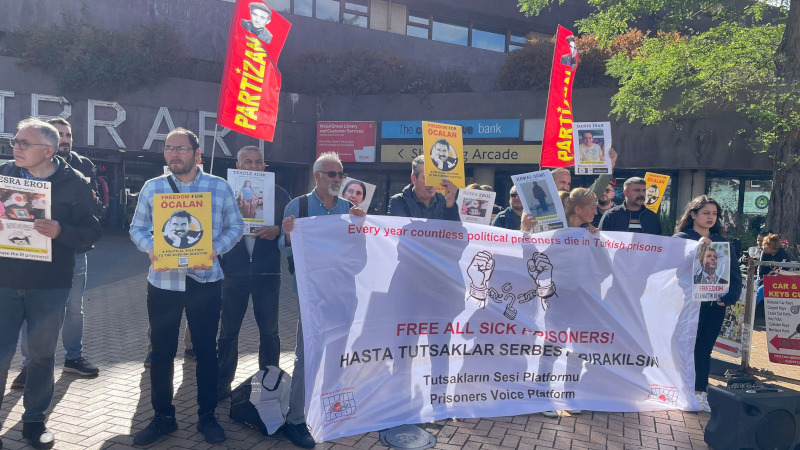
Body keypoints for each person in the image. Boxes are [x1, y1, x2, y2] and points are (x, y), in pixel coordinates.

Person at [129, 127, 244, 445]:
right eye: (169, 148)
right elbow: (137, 228)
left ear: (197, 154)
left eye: (180, 148)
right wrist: (152, 248)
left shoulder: (219, 187)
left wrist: (215, 249)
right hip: (163, 282)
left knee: (206, 351)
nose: (174, 154)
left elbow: (236, 226)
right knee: (162, 352)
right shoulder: (153, 187)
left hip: (204, 281)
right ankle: (162, 417)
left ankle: (207, 415)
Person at [0, 118, 102, 449]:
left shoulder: (75, 182)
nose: (16, 148)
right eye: (15, 141)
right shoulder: (4, 174)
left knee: (42, 357)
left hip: (49, 285)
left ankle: (34, 421)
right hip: (4, 282)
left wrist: (61, 232)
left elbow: (92, 232)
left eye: (24, 143)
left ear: (48, 151)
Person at [279, 152, 366, 448]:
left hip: (343, 294)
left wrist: (360, 229)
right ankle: (295, 420)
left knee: (337, 357)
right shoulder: (299, 206)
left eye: (340, 174)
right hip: (312, 296)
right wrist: (288, 235)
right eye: (332, 174)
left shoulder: (350, 209)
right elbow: (286, 249)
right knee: (308, 357)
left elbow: (360, 257)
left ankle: (331, 413)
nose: (338, 179)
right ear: (316, 176)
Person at [217, 146, 290, 401]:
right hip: (233, 273)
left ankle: (269, 386)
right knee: (228, 333)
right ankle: (222, 384)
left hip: (267, 274)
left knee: (269, 333)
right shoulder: (225, 193)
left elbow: (292, 227)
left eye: (258, 162)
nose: (253, 166)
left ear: (264, 166)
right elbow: (213, 226)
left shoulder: (279, 194)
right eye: (247, 162)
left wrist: (278, 229)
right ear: (238, 166)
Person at [673, 195, 742, 413]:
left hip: (713, 306)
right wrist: (694, 249)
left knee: (704, 350)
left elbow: (735, 276)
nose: (711, 217)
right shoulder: (681, 239)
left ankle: (700, 392)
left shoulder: (723, 242)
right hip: (688, 306)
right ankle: (680, 389)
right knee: (685, 348)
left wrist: (728, 298)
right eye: (706, 213)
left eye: (714, 214)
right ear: (693, 214)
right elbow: (671, 268)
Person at [388, 155, 459, 220]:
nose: (431, 183)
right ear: (414, 179)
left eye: (435, 177)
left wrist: (450, 206)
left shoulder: (445, 203)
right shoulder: (399, 202)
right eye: (426, 178)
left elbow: (454, 229)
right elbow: (400, 227)